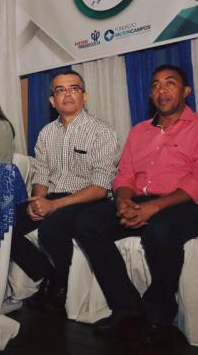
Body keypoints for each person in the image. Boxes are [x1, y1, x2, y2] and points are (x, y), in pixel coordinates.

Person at [73, 65, 198, 345]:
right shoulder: (139, 131)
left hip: (187, 205)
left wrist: (153, 209)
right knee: (86, 222)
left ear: (186, 91)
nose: (161, 90)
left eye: (170, 83)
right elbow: (124, 175)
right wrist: (124, 202)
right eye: (155, 85)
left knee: (159, 231)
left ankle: (159, 312)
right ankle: (127, 306)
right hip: (140, 199)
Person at [10, 69, 119, 313]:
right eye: (60, 90)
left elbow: (101, 188)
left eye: (74, 88)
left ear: (85, 96)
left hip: (88, 200)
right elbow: (42, 175)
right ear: (52, 101)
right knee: (3, 224)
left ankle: (60, 284)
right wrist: (38, 201)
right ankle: (45, 273)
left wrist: (53, 206)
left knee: (52, 227)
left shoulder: (102, 132)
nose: (67, 94)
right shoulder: (46, 133)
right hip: (52, 197)